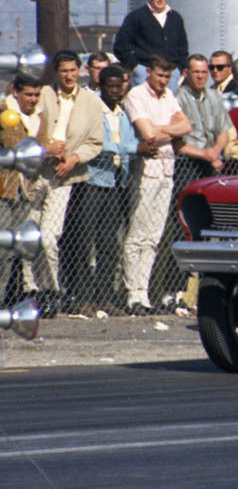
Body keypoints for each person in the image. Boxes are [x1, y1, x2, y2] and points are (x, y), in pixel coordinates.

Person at [62, 66, 146, 315]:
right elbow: (97, 144)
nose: (115, 91)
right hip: (93, 180)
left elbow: (129, 142)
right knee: (84, 240)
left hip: (116, 181)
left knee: (109, 242)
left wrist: (134, 147)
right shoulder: (93, 110)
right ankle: (81, 297)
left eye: (119, 86)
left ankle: (105, 297)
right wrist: (131, 148)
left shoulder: (122, 113)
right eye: (111, 86)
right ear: (101, 86)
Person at [28, 50, 104, 317]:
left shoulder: (91, 102)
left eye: (73, 70)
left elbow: (95, 141)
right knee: (30, 237)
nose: (69, 76)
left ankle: (51, 291)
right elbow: (29, 127)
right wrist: (46, 148)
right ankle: (30, 292)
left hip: (64, 176)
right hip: (37, 172)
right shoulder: (44, 95)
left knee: (49, 238)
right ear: (56, 72)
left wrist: (73, 159)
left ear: (79, 70)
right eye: (64, 71)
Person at [122, 54, 191, 314]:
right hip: (146, 169)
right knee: (137, 234)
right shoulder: (137, 95)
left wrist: (160, 129)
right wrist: (169, 129)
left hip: (166, 168)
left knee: (154, 236)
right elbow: (147, 134)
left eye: (167, 77)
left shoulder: (169, 96)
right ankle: (133, 293)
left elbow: (186, 126)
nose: (163, 81)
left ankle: (144, 292)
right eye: (160, 75)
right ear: (149, 72)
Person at [0, 75, 47, 308]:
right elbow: (12, 145)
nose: (33, 99)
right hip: (4, 188)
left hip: (24, 189)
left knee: (10, 252)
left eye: (37, 95)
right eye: (28, 94)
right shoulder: (4, 112)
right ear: (16, 93)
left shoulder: (39, 117)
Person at [112, 0, 188, 89]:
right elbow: (120, 47)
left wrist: (179, 69)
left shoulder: (176, 18)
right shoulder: (136, 17)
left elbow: (183, 48)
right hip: (145, 74)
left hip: (171, 75)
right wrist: (136, 68)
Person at [174, 54, 232, 178]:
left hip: (212, 163)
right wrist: (204, 154)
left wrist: (214, 153)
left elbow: (223, 132)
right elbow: (176, 142)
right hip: (187, 165)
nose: (200, 76)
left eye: (204, 72)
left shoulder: (214, 96)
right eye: (196, 72)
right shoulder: (177, 99)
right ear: (186, 73)